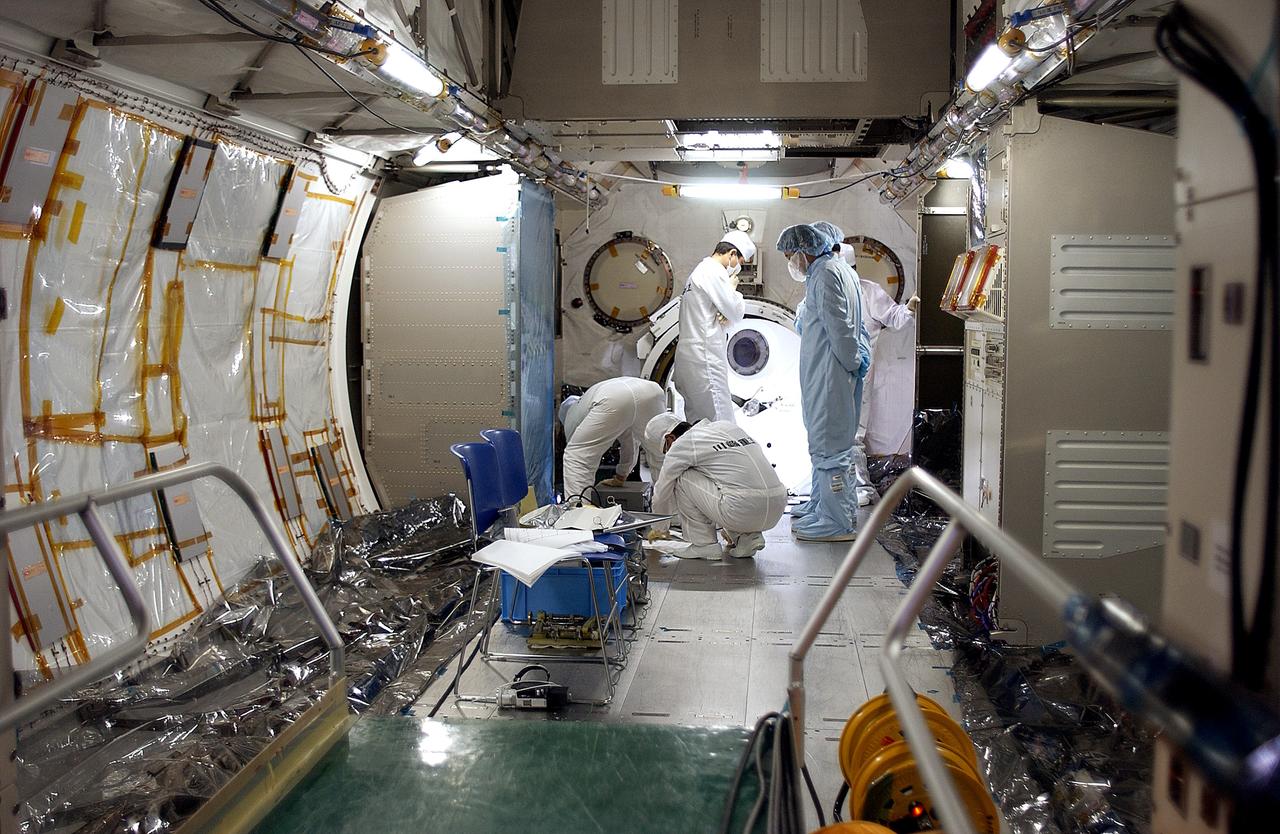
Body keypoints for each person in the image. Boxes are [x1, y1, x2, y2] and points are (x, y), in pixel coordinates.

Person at [777, 222, 871, 542]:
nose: (790, 261)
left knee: (830, 446)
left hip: (831, 374)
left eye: (791, 255)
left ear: (806, 250)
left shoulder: (827, 274)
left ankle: (838, 520)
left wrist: (851, 362)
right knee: (823, 444)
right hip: (827, 373)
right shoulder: (835, 271)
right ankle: (823, 506)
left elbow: (841, 327)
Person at [836, 243, 920, 505]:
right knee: (829, 433)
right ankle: (832, 487)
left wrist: (909, 308)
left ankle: (859, 486)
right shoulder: (824, 292)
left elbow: (895, 317)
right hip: (829, 373)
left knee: (853, 434)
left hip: (859, 372)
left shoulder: (868, 291)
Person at [645, 414, 788, 560]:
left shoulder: (682, 444)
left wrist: (659, 529)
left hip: (742, 510)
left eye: (665, 450)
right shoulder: (726, 426)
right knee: (725, 479)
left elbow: (662, 491)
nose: (668, 453)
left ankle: (704, 545)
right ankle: (748, 537)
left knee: (682, 476)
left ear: (670, 439)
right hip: (777, 506)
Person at [673, 230, 756, 424]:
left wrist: (723, 310)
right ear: (732, 254)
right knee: (720, 424)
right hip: (705, 359)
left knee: (700, 424)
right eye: (740, 262)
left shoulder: (698, 272)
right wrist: (733, 288)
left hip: (689, 358)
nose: (738, 268)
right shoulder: (714, 271)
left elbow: (715, 310)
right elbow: (735, 312)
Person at [559, 377, 664, 500]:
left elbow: (580, 456)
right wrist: (621, 475)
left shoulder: (571, 419)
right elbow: (630, 441)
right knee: (660, 454)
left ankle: (580, 512)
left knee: (576, 457)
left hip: (613, 398)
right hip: (652, 391)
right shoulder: (588, 399)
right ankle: (670, 514)